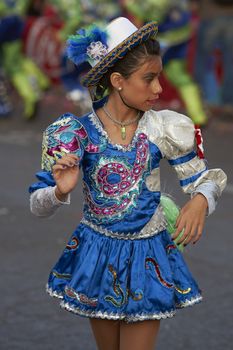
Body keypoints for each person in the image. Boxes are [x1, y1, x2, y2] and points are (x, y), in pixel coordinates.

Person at [29, 17, 227, 350]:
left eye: (159, 77)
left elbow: (202, 178)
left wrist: (200, 201)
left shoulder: (164, 128)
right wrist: (60, 190)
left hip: (148, 253)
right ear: (118, 81)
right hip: (96, 252)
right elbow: (37, 204)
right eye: (148, 79)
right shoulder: (76, 133)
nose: (159, 89)